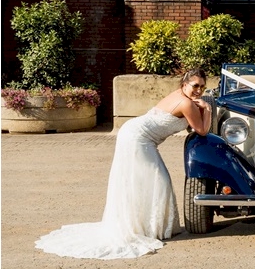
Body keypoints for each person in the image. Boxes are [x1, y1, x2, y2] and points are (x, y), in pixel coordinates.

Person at [35, 68, 212, 259]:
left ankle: (149, 227)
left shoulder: (180, 96)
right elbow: (202, 130)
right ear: (184, 84)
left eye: (202, 87)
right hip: (138, 138)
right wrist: (208, 109)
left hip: (134, 132)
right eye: (195, 86)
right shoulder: (187, 103)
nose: (199, 90)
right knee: (160, 180)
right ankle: (149, 230)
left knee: (142, 182)